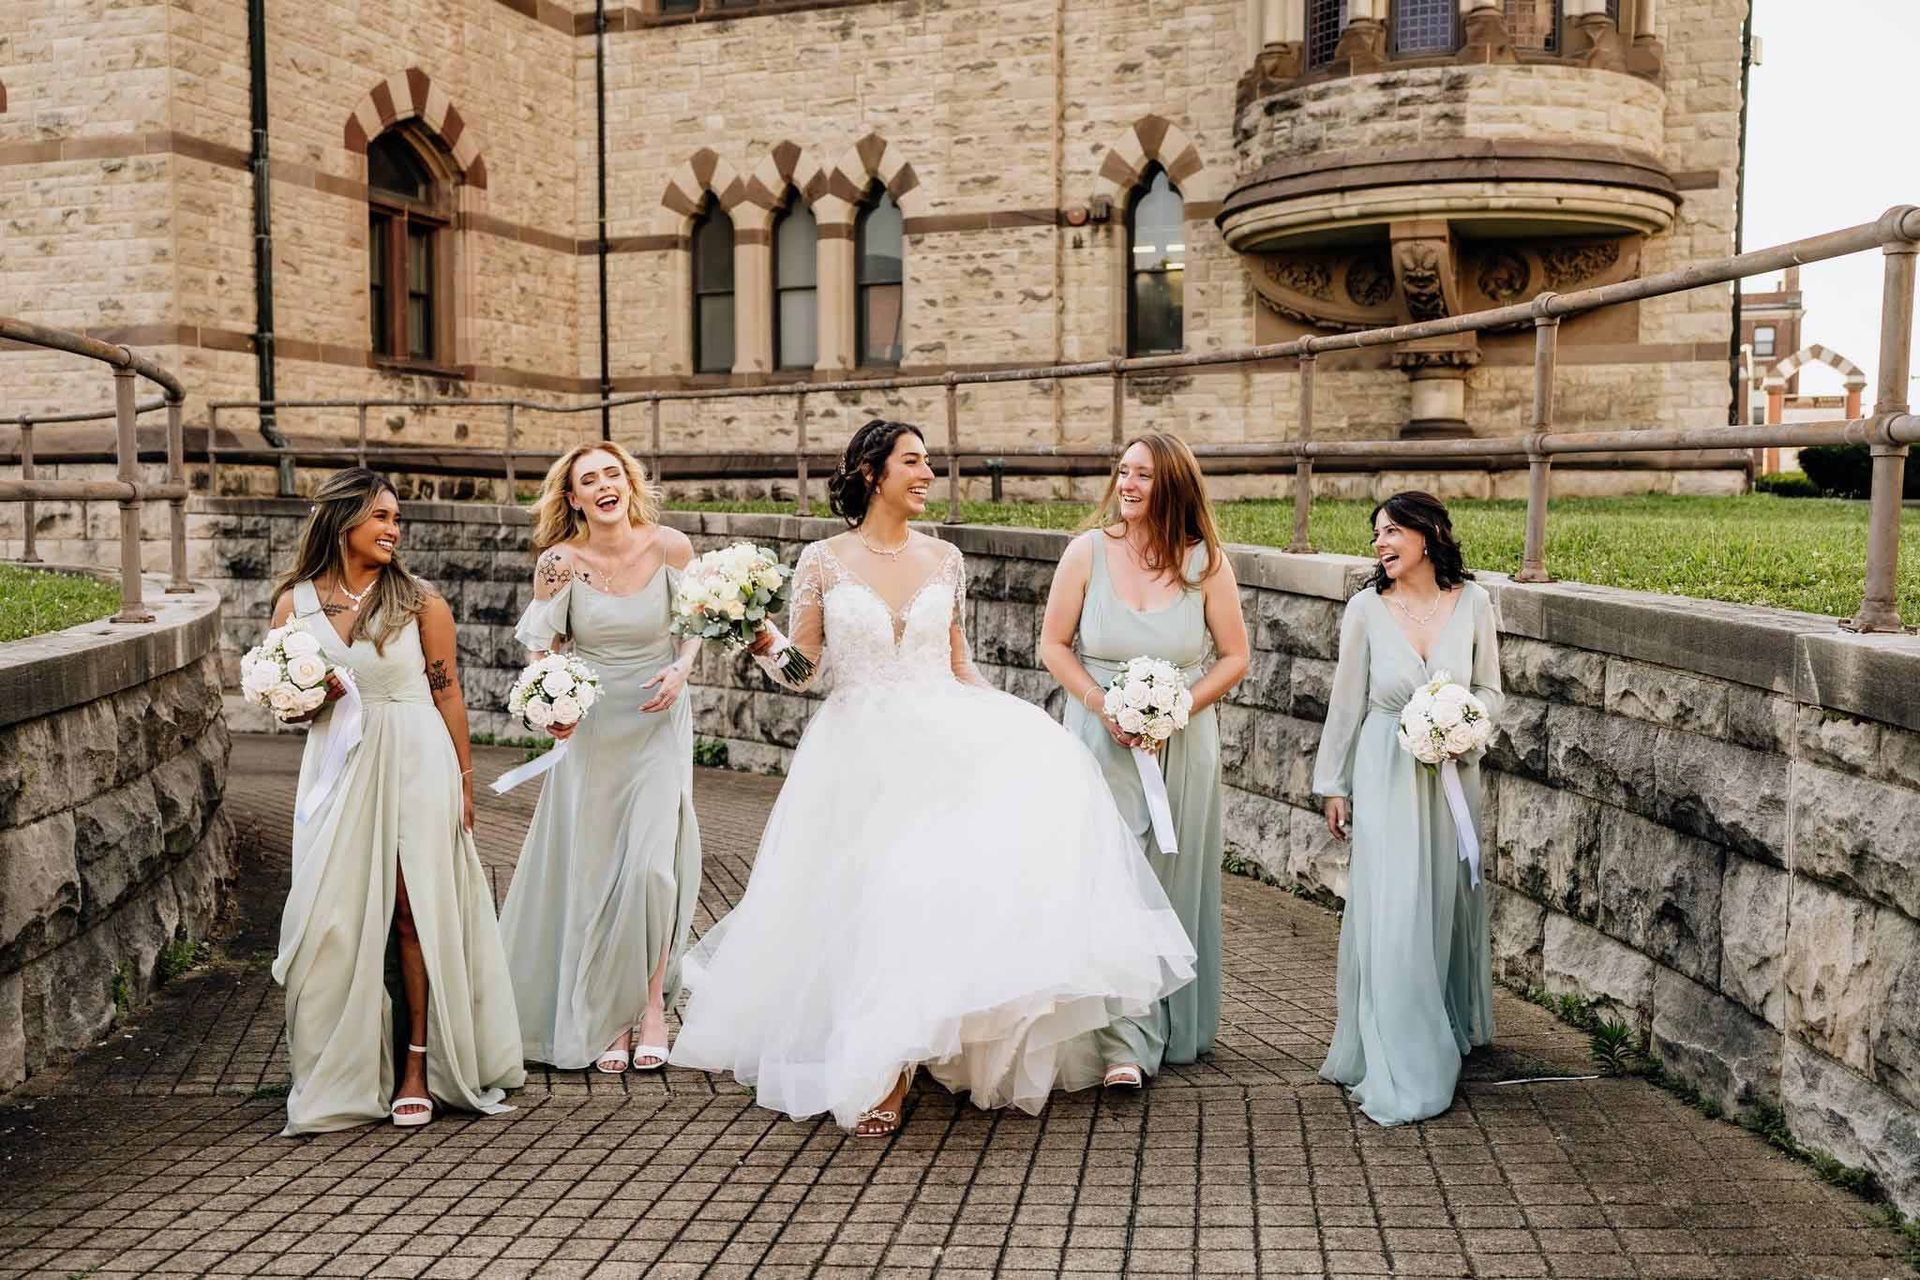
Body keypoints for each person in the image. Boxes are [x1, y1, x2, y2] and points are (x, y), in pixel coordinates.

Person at [669, 419, 1196, 1137]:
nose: (928, 474)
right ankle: (878, 1060)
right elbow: (808, 673)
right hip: (857, 748)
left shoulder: (946, 559)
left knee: (927, 891)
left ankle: (911, 1052)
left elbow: (958, 662)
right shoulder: (823, 561)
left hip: (942, 734)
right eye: (913, 462)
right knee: (868, 896)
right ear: (869, 473)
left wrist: (1011, 722)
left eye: (929, 462)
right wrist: (761, 638)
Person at [269, 467, 524, 1134]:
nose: (393, 529)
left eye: (396, 519)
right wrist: (304, 701)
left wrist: (465, 784)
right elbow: (289, 712)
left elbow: (447, 694)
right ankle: (339, 1070)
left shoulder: (420, 603)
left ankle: (418, 1065)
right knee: (331, 920)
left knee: (415, 914)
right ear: (341, 520)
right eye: (381, 516)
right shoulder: (293, 605)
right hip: (340, 769)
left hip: (417, 759)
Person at [1038, 431, 1249, 1085]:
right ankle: (1121, 1043)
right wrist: (1105, 705)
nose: (1127, 485)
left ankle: (1167, 1021)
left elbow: (1236, 657)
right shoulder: (1086, 553)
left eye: (1143, 476)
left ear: (1173, 488)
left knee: (1166, 878)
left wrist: (1175, 708)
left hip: (1182, 744)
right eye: (1123, 472)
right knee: (1109, 877)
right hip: (1098, 738)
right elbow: (1053, 645)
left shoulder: (1206, 564)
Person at [498, 443, 702, 1074]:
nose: (604, 486)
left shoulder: (669, 546)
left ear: (628, 483)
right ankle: (608, 1018)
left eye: (613, 473)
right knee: (595, 875)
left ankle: (648, 1009)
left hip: (658, 721)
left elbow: (697, 621)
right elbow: (542, 646)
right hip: (591, 733)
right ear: (574, 498)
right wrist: (548, 702)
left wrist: (682, 668)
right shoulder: (560, 563)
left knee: (650, 872)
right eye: (590, 480)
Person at [1312, 490, 1503, 1125]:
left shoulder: (1474, 603)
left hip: (1452, 774)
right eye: (1376, 536)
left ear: (1429, 535)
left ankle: (1446, 1023)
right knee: (1394, 908)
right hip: (1386, 766)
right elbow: (1348, 703)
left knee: (1443, 901)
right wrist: (1333, 783)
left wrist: (1467, 727)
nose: (1381, 544)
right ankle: (1399, 1051)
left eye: (1392, 531)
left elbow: (1490, 690)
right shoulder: (1366, 610)